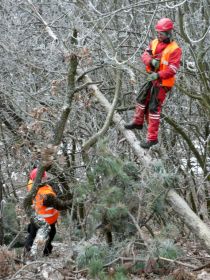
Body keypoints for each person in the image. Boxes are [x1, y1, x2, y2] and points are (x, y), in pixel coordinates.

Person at [125, 18, 182, 149]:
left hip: (163, 83)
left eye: (161, 33)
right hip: (152, 78)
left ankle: (152, 139)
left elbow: (172, 69)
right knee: (141, 98)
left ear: (168, 33)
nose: (158, 35)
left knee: (153, 108)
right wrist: (150, 61)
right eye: (158, 33)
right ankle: (137, 122)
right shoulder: (154, 42)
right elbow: (144, 54)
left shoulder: (175, 49)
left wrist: (158, 74)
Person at [24, 168, 71, 258]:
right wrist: (75, 201)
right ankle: (46, 253)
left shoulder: (31, 184)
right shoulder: (47, 195)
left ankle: (27, 251)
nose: (47, 177)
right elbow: (61, 205)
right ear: (41, 179)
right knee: (50, 235)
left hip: (35, 216)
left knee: (32, 234)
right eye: (45, 177)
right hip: (47, 221)